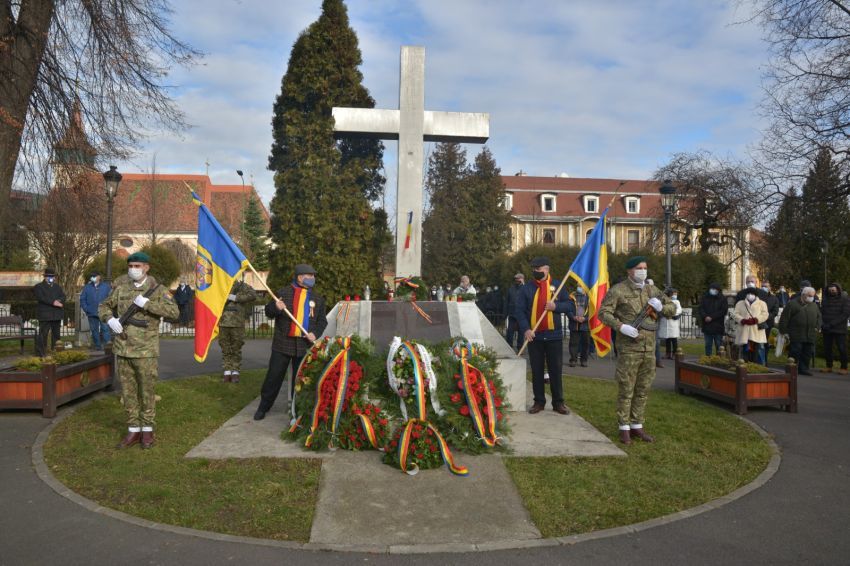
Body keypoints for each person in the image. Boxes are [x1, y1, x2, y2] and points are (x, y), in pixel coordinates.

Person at [99, 252, 178, 449]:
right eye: (131, 265)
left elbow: (174, 312)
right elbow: (103, 306)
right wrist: (109, 319)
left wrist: (149, 305)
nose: (133, 269)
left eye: (137, 266)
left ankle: (147, 430)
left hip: (145, 350)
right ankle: (133, 430)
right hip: (124, 348)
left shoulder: (158, 289)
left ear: (146, 267)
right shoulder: (121, 287)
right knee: (128, 391)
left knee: (147, 390)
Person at [599, 256, 675, 444]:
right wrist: (621, 326)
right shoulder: (618, 290)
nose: (643, 271)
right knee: (626, 389)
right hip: (629, 349)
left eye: (645, 267)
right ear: (629, 271)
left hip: (649, 349)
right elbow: (603, 313)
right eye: (639, 268)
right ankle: (623, 427)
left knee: (643, 388)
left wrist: (662, 307)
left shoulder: (652, 290)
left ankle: (637, 425)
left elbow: (673, 308)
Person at [254, 264, 327, 421]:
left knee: (300, 380)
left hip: (303, 346)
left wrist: (315, 334)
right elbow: (268, 312)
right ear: (300, 277)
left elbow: (322, 321)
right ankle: (263, 407)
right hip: (282, 344)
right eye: (310, 275)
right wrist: (276, 306)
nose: (313, 279)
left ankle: (297, 411)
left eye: (313, 276)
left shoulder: (317, 299)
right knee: (273, 377)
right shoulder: (283, 293)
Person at [514, 256, 571, 415]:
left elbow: (569, 305)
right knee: (537, 370)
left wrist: (556, 306)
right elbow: (519, 310)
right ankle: (539, 401)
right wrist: (526, 329)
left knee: (555, 370)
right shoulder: (527, 288)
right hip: (534, 336)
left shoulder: (558, 286)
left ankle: (558, 402)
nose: (535, 272)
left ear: (546, 269)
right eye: (533, 270)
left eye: (538, 270)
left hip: (554, 336)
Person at [218, 276, 258, 383]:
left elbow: (253, 295)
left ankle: (235, 371)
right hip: (223, 322)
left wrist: (235, 297)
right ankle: (227, 371)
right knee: (225, 347)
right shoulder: (220, 284)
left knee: (236, 347)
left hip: (237, 322)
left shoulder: (241, 286)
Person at [778, 286, 822, 376]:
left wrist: (817, 326)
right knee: (795, 351)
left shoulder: (814, 305)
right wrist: (783, 331)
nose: (812, 297)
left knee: (807, 352)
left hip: (810, 334)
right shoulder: (792, 304)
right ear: (804, 295)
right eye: (810, 295)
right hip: (796, 333)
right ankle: (791, 368)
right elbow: (784, 318)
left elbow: (819, 317)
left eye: (813, 295)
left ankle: (804, 369)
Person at [33, 267, 66, 357]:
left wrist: (59, 301)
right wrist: (54, 302)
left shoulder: (57, 286)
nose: (51, 278)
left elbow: (63, 296)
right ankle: (41, 353)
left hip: (56, 315)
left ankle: (56, 351)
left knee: (56, 335)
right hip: (45, 315)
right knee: (43, 334)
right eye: (48, 276)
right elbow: (41, 298)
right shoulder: (38, 287)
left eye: (52, 276)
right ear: (45, 277)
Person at [820, 282, 850, 374]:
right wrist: (822, 324)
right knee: (827, 348)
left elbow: (845, 314)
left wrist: (831, 324)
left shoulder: (845, 299)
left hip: (839, 329)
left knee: (841, 348)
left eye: (833, 290)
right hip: (826, 328)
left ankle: (844, 367)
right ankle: (829, 366)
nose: (831, 291)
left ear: (838, 290)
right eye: (830, 290)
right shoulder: (825, 300)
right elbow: (821, 312)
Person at [733, 288, 769, 365]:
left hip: (756, 332)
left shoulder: (762, 303)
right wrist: (742, 320)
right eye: (748, 293)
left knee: (757, 352)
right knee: (744, 352)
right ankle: (744, 368)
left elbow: (765, 314)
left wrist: (756, 320)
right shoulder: (740, 303)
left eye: (752, 294)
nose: (750, 295)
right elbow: (735, 314)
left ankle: (757, 367)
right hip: (744, 332)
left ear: (755, 295)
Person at [79, 271, 112, 350]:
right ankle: (98, 347)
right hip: (91, 312)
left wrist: (107, 308)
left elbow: (111, 298)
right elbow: (82, 299)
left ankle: (107, 347)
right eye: (91, 276)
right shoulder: (87, 287)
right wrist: (86, 309)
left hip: (104, 312)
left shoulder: (106, 287)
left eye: (94, 276)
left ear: (99, 277)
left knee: (106, 329)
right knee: (94, 330)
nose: (92, 278)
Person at [698, 282, 727, 355]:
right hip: (707, 326)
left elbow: (723, 311)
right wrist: (705, 316)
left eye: (714, 289)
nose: (712, 290)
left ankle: (719, 359)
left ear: (718, 290)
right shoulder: (705, 297)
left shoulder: (722, 298)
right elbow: (701, 308)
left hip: (718, 326)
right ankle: (708, 359)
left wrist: (712, 317)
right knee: (708, 345)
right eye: (711, 289)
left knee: (718, 345)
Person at [566, 286, 590, 367]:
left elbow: (593, 311)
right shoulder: (571, 296)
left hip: (585, 324)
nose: (580, 286)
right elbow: (567, 309)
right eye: (578, 284)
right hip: (574, 323)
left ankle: (584, 360)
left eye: (581, 285)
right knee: (573, 343)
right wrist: (573, 317)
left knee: (586, 343)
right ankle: (573, 360)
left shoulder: (590, 296)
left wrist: (585, 318)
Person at [658, 288, 682, 359]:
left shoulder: (677, 302)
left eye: (676, 294)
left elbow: (679, 310)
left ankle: (675, 353)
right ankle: (668, 353)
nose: (675, 295)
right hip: (665, 322)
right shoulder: (664, 301)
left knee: (674, 339)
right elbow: (661, 309)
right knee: (667, 339)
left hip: (673, 322)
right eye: (674, 294)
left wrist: (672, 314)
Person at [505, 273, 525, 351]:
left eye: (518, 279)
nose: (517, 280)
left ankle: (520, 348)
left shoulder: (525, 288)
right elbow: (507, 301)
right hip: (512, 314)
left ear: (522, 279)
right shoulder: (511, 289)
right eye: (516, 279)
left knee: (521, 333)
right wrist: (505, 314)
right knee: (510, 332)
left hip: (522, 315)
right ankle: (509, 347)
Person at [760, 280, 780, 353]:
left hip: (768, 324)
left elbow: (775, 312)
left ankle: (765, 361)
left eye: (765, 286)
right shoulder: (757, 297)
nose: (763, 288)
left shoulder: (774, 299)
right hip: (757, 323)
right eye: (762, 286)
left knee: (766, 343)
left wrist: (765, 317)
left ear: (769, 288)